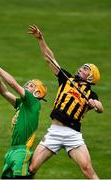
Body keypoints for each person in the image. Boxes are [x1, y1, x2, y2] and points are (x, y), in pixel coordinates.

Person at [28, 24, 104, 179]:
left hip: (73, 134)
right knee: (32, 167)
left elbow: (100, 108)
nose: (81, 69)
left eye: (85, 69)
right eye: (83, 67)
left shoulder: (91, 93)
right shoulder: (66, 78)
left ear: (90, 77)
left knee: (87, 170)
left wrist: (95, 104)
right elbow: (49, 59)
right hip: (54, 131)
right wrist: (40, 39)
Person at [0, 60, 47, 179]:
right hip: (12, 150)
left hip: (22, 151)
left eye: (31, 85)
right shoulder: (22, 104)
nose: (26, 85)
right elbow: (4, 92)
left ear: (37, 93)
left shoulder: (33, 102)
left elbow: (13, 84)